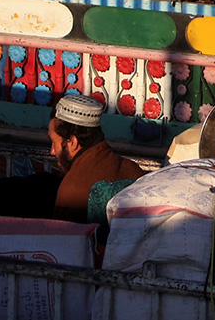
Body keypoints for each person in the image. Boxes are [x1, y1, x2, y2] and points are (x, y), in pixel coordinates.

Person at [49, 93, 144, 223]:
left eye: (54, 142)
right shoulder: (134, 170)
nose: (52, 151)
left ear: (72, 142)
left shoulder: (71, 191)